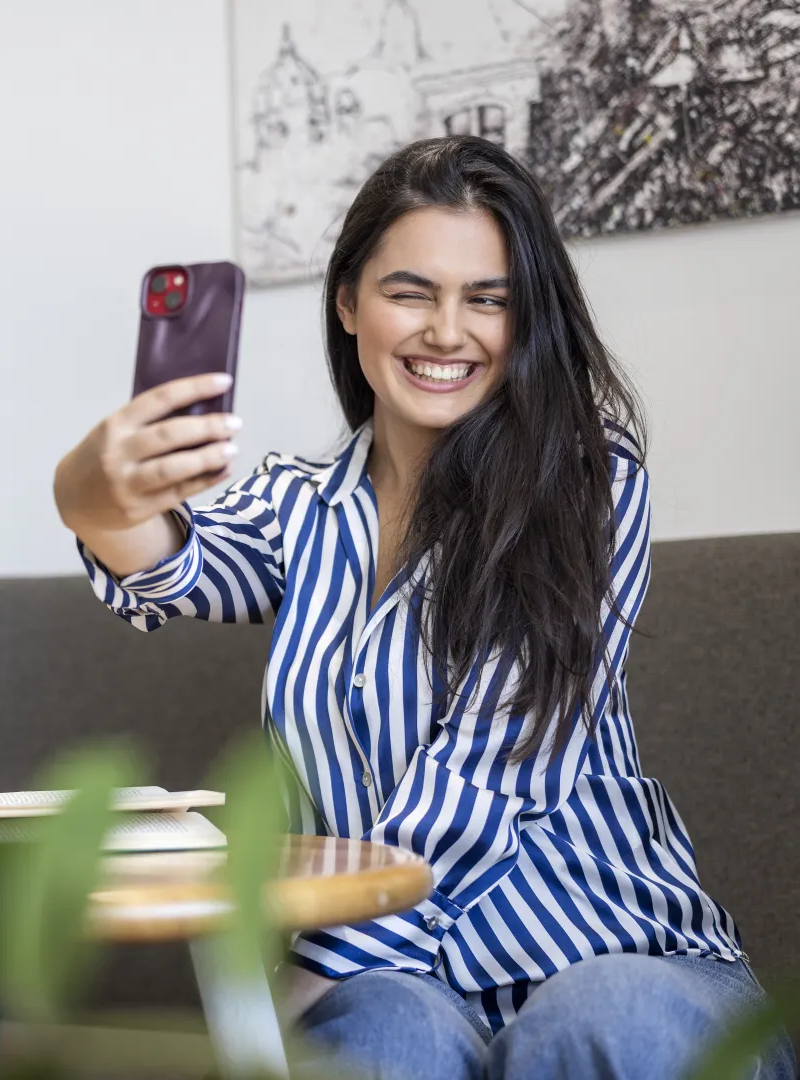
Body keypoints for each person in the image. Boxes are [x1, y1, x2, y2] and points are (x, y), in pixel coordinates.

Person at [53, 136, 796, 1080]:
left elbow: (491, 775)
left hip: (618, 954)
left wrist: (301, 976)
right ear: (348, 302)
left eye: (487, 299)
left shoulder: (589, 484)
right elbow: (170, 569)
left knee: (593, 1020)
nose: (448, 331)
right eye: (410, 291)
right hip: (402, 985)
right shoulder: (299, 508)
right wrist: (90, 488)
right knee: (383, 1039)